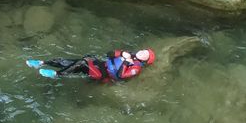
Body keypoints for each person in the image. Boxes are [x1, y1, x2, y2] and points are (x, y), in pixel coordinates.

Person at [27, 48, 156, 80]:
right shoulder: (129, 54)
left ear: (143, 61)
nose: (142, 52)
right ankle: (42, 62)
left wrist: (126, 62)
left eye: (145, 55)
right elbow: (109, 54)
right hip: (101, 65)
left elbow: (120, 75)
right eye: (144, 50)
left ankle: (57, 74)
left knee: (82, 63)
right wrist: (122, 53)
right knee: (73, 61)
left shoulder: (136, 68)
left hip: (102, 74)